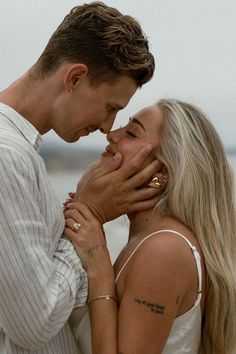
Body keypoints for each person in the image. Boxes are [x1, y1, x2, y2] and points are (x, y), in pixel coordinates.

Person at [0, 2, 159, 353]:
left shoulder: (18, 152)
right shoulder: (6, 156)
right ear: (75, 78)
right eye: (110, 107)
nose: (107, 127)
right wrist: (90, 213)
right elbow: (34, 323)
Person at [64, 98, 236, 354]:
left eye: (131, 132)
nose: (112, 134)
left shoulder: (163, 251)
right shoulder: (148, 241)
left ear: (161, 173)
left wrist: (98, 262)